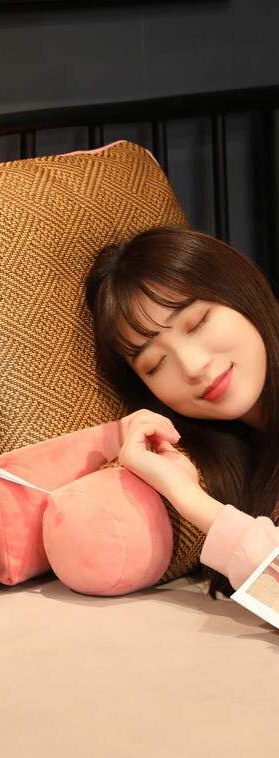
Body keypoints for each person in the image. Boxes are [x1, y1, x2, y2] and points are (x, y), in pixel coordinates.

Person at [85, 226, 279, 599]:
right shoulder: (244, 463)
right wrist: (178, 483)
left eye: (198, 322)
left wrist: (191, 501)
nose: (192, 366)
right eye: (155, 364)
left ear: (243, 291)